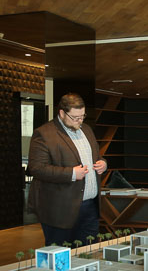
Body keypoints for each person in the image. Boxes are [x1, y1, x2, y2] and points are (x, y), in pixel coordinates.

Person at [27, 92, 107, 247]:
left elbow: (96, 156)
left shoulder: (87, 130)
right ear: (62, 113)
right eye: (75, 117)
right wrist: (71, 174)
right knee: (61, 256)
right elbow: (36, 168)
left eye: (82, 116)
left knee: (87, 253)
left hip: (90, 206)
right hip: (60, 209)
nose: (80, 121)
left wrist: (103, 163)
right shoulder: (44, 134)